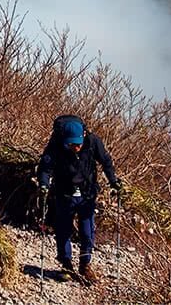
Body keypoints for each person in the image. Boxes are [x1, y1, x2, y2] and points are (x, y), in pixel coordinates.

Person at [36, 115, 122, 284]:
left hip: (87, 193)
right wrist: (44, 184)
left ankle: (85, 265)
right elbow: (45, 167)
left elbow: (106, 161)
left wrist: (113, 181)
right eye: (72, 144)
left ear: (83, 136)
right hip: (64, 193)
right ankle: (66, 265)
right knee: (63, 230)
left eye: (78, 143)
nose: (76, 147)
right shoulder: (56, 145)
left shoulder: (92, 142)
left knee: (87, 230)